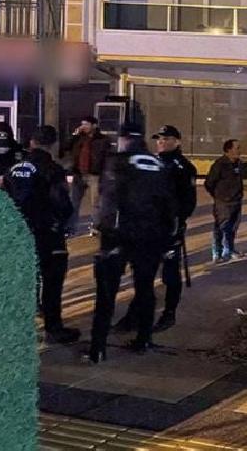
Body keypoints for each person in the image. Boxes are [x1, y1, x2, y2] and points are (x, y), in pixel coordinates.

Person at [86, 123, 176, 363]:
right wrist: (167, 237)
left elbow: (108, 199)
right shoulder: (158, 164)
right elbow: (169, 204)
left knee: (106, 293)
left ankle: (98, 348)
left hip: (119, 235)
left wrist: (102, 228)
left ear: (124, 139)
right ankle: (143, 339)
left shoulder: (118, 161)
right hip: (151, 236)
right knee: (145, 289)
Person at [115, 125, 197, 333]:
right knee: (145, 274)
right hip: (148, 228)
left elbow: (188, 202)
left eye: (166, 138)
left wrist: (175, 224)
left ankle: (169, 313)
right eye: (159, 138)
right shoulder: (152, 162)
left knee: (170, 274)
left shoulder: (183, 167)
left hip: (169, 229)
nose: (160, 142)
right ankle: (135, 315)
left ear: (177, 142)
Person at [4, 125, 80, 344]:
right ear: (53, 144)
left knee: (24, 281)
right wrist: (64, 222)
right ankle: (53, 328)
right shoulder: (52, 169)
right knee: (52, 282)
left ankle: (18, 330)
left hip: (19, 233)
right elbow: (61, 202)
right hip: (47, 233)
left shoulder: (14, 168)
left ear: (31, 143)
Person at [67, 116, 112, 235]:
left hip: (94, 175)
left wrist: (104, 172)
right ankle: (71, 229)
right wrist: (74, 135)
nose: (84, 127)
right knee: (73, 203)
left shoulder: (103, 140)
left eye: (86, 124)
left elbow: (107, 157)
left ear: (94, 125)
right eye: (82, 124)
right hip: (79, 174)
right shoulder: (79, 138)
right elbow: (66, 147)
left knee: (95, 203)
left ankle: (95, 228)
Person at [205, 139, 244, 262]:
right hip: (223, 202)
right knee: (221, 227)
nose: (239, 151)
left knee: (232, 228)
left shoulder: (238, 164)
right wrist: (219, 196)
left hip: (236, 201)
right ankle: (217, 252)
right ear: (228, 150)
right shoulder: (219, 164)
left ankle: (229, 250)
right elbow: (209, 183)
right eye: (237, 148)